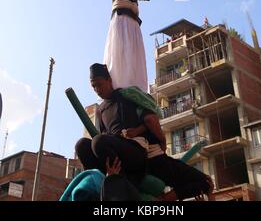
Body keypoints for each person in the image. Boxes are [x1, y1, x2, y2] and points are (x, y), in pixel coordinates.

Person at [75, 63, 214, 201]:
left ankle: (122, 183)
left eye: (99, 84)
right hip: (117, 158)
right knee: (82, 144)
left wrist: (152, 137)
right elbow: (104, 139)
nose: (96, 89)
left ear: (109, 80)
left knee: (98, 141)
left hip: (137, 154)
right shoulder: (100, 110)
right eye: (93, 86)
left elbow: (150, 119)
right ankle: (101, 181)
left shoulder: (127, 95)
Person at [103, 0, 155, 92]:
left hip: (133, 24)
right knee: (120, 53)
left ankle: (135, 86)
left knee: (133, 56)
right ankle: (118, 85)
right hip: (121, 20)